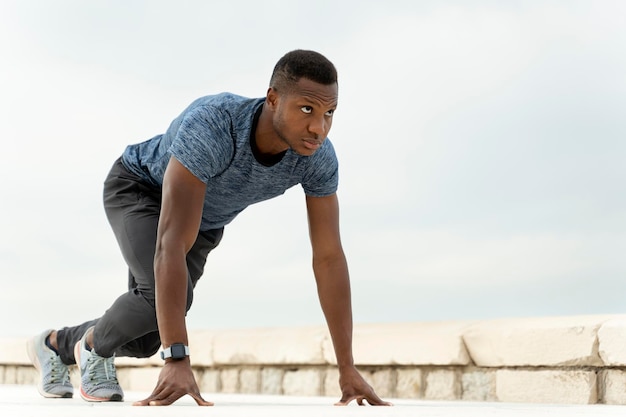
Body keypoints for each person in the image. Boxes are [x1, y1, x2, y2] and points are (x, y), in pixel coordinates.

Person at [27, 49, 391, 407]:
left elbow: (328, 258)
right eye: (307, 110)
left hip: (203, 222)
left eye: (330, 113)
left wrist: (348, 368)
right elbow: (170, 243)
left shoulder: (317, 157)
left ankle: (57, 344)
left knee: (146, 339)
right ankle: (93, 349)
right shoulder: (215, 124)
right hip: (140, 189)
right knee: (167, 301)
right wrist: (178, 360)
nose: (319, 127)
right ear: (273, 99)